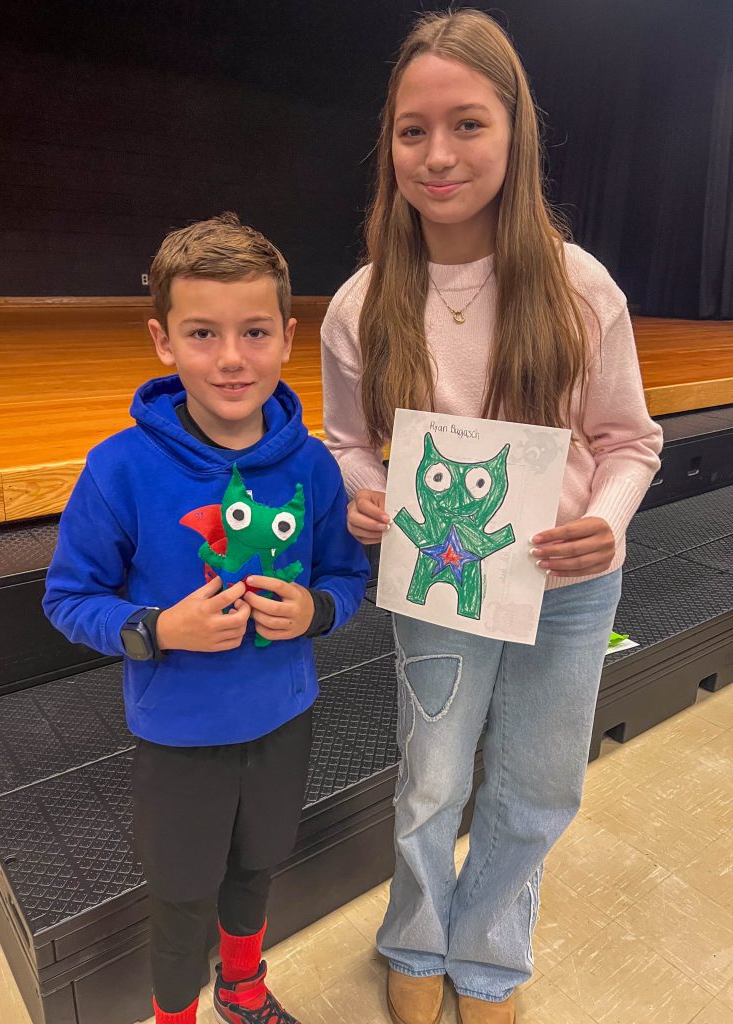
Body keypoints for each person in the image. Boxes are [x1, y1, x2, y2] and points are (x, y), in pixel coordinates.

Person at [321, 10, 662, 1024]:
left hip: (566, 589)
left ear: (515, 133)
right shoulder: (361, 302)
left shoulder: (577, 285)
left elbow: (629, 440)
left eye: (467, 124)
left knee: (538, 784)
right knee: (429, 782)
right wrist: (362, 491)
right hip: (440, 584)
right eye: (412, 129)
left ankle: (489, 956)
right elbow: (345, 439)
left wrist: (610, 520)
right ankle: (414, 936)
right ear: (389, 143)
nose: (438, 154)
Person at [44, 213, 368, 1024]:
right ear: (163, 341)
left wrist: (319, 610)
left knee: (258, 865)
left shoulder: (313, 464)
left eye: (255, 332)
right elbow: (67, 597)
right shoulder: (119, 467)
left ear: (289, 336)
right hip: (180, 733)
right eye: (202, 333)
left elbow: (345, 575)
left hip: (283, 716)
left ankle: (243, 989)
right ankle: (174, 1017)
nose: (231, 358)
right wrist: (157, 629)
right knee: (182, 892)